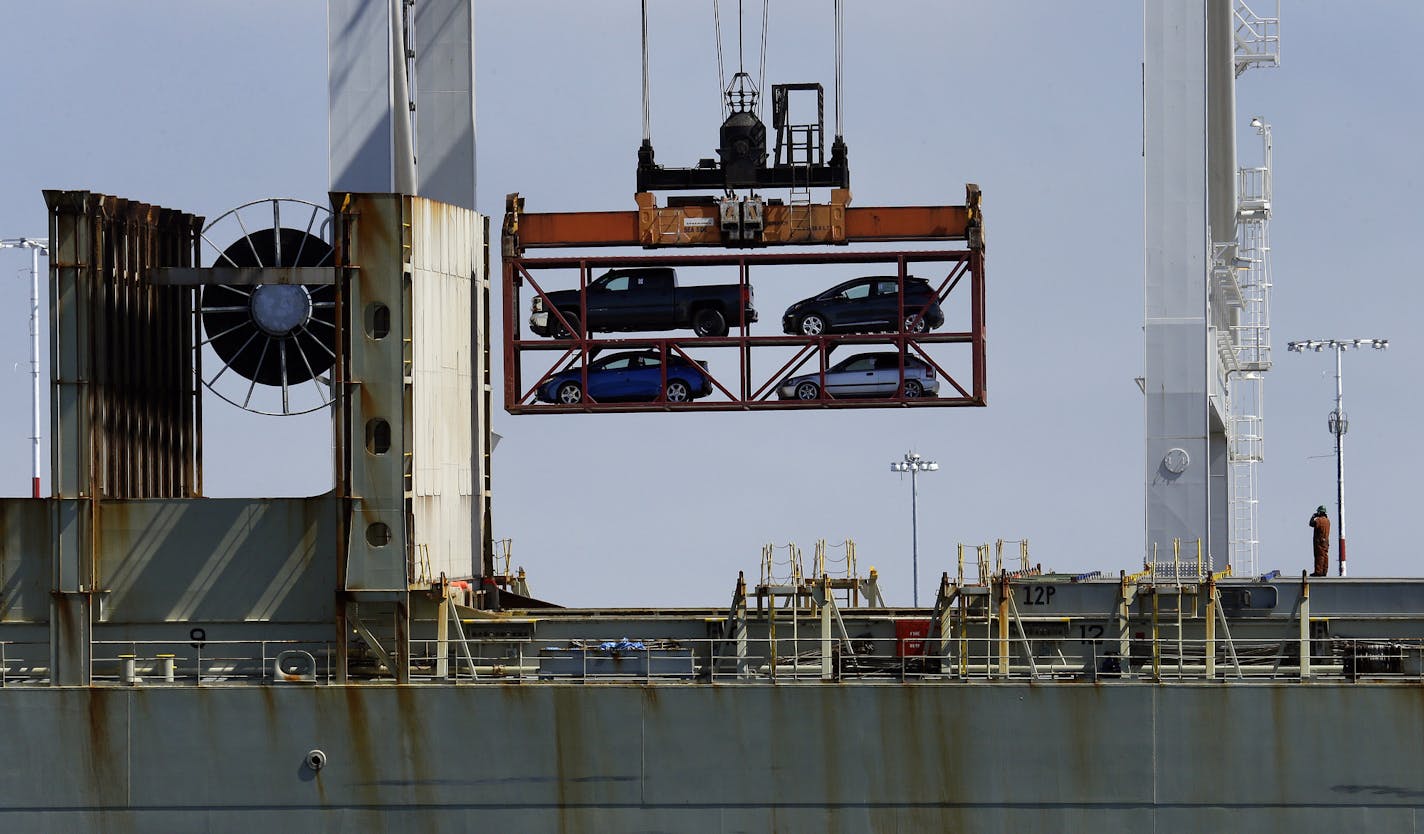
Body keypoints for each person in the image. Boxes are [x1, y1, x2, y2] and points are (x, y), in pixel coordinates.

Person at [1309, 506, 1331, 577]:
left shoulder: (1319, 520)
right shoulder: (1327, 521)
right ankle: (1324, 571)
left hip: (1319, 541)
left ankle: (1318, 572)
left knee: (1319, 556)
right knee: (1325, 556)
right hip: (1326, 542)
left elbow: (1311, 523)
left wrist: (1313, 516)